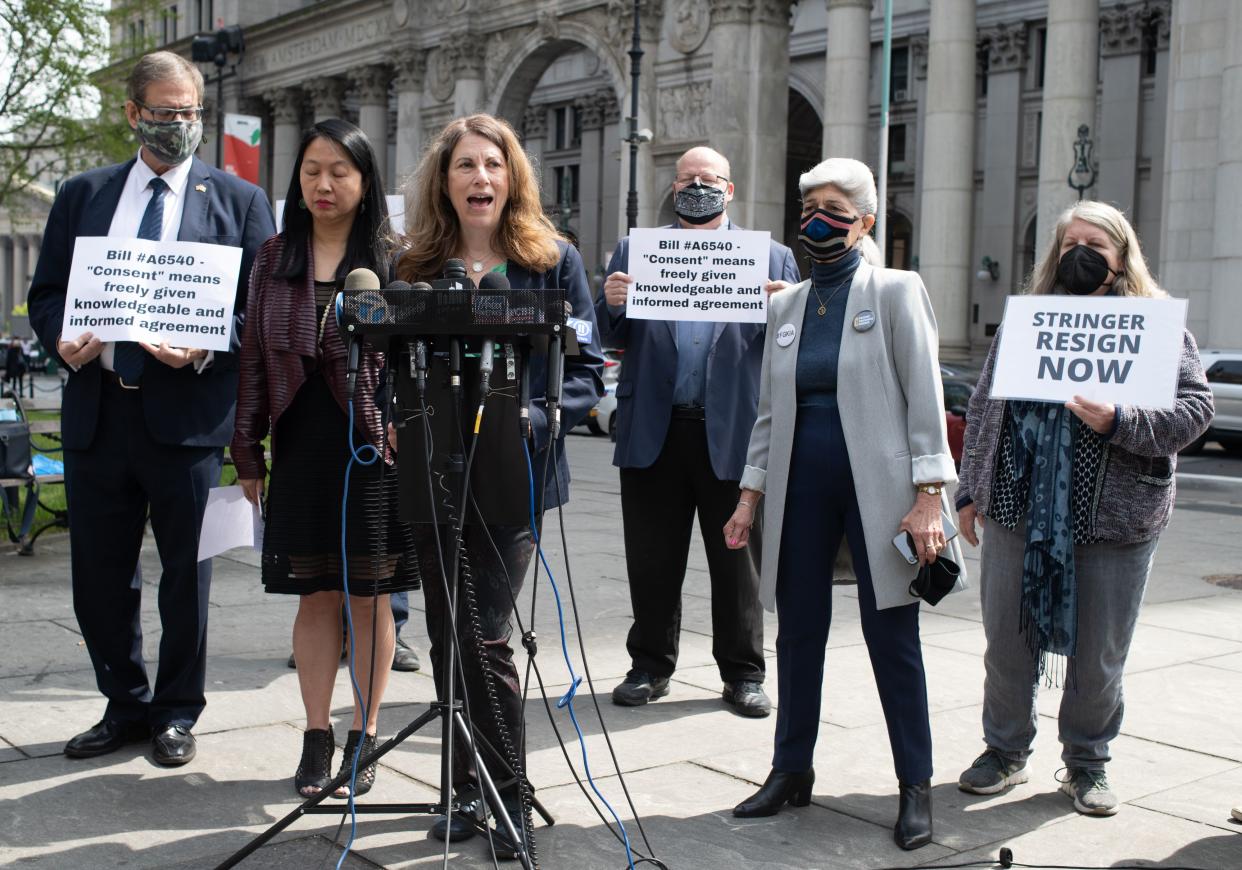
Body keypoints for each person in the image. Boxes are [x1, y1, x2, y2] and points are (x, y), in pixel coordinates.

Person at [26, 51, 274, 766]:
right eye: (164, 114)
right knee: (99, 575)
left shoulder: (237, 200)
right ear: (133, 114)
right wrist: (62, 340)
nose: (178, 126)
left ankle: (175, 711)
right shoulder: (83, 195)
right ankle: (122, 704)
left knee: (186, 576)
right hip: (98, 413)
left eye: (189, 113)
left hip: (187, 418)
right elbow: (47, 295)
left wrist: (200, 349)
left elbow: (258, 313)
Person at [723, 157, 962, 851]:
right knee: (797, 633)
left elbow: (926, 396)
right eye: (808, 209)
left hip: (882, 489)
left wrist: (928, 497)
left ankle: (914, 786)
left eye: (832, 207)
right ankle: (790, 768)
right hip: (801, 488)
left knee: (893, 634)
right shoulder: (786, 304)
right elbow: (770, 412)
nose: (816, 221)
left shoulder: (895, 290)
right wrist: (748, 496)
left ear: (865, 220)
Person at [954, 201, 1212, 817]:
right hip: (1019, 511)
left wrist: (1120, 420)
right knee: (1007, 643)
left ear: (1121, 256)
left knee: (1100, 654)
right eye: (1069, 241)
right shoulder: (1028, 321)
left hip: (1116, 522)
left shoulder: (1156, 326)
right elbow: (987, 406)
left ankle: (1087, 764)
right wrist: (970, 489)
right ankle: (1005, 752)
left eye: (1093, 242)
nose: (1078, 252)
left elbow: (1195, 411)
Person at [394, 113, 604, 850]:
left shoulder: (555, 262)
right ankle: (463, 795)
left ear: (511, 177)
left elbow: (584, 368)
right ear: (443, 181)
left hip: (516, 481)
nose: (480, 177)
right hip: (432, 473)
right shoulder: (413, 266)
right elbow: (387, 366)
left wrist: (544, 417)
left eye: (493, 164)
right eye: (464, 166)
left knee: (483, 634)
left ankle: (509, 794)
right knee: (448, 638)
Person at [232, 119, 420, 798]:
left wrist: (407, 420)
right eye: (312, 169)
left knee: (370, 599)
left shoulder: (396, 258)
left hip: (372, 448)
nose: (324, 183)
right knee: (315, 595)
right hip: (300, 442)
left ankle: (363, 736)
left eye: (340, 170)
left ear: (365, 181)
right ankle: (316, 735)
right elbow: (252, 359)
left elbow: (410, 359)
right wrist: (246, 451)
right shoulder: (271, 257)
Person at [596, 146, 800, 718]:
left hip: (734, 435)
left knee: (738, 563)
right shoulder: (638, 250)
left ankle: (743, 673)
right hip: (653, 432)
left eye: (709, 178)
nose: (698, 185)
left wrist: (790, 310)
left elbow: (796, 349)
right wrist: (610, 301)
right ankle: (649, 667)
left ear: (729, 189)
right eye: (687, 178)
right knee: (652, 558)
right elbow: (608, 335)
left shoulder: (773, 258)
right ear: (673, 186)